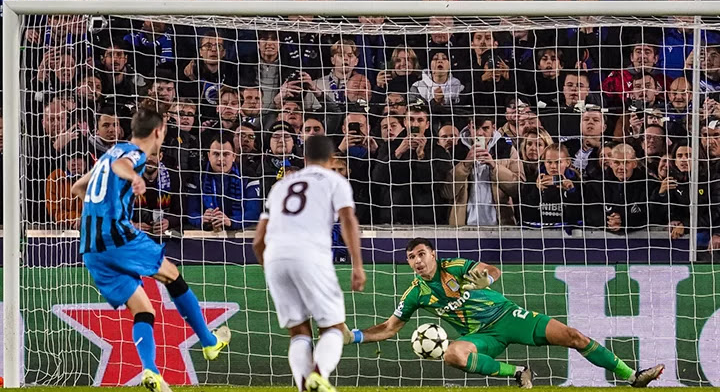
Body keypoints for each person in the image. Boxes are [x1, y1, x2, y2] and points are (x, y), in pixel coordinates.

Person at [343, 238, 665, 388]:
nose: (417, 261)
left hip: (509, 317)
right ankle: (518, 372)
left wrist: (485, 279)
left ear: (433, 254)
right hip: (481, 336)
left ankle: (632, 376)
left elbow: (492, 270)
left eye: (421, 254)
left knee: (574, 336)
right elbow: (389, 327)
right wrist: (353, 336)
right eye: (411, 257)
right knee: (452, 354)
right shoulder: (415, 293)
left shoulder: (455, 266)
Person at [70, 108, 230, 392]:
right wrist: (134, 178)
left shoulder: (108, 154)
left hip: (91, 246)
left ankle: (151, 371)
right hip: (116, 236)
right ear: (159, 131)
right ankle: (209, 342)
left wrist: (100, 209)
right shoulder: (134, 154)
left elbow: (78, 187)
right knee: (172, 275)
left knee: (143, 310)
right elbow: (122, 165)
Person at [252, 135, 366, 392]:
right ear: (332, 159)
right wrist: (357, 266)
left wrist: (272, 270)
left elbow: (258, 241)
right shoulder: (335, 181)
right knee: (333, 327)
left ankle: (305, 387)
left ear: (304, 159)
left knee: (299, 331)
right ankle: (319, 373)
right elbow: (348, 220)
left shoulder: (281, 186)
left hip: (275, 257)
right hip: (310, 254)